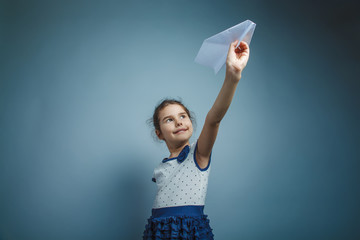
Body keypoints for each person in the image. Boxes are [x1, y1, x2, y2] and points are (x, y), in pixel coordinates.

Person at [143, 40, 250, 239]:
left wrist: (232, 76)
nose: (178, 122)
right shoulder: (160, 168)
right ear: (159, 133)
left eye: (183, 116)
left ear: (190, 122)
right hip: (160, 230)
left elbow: (214, 119)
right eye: (169, 120)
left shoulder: (198, 154)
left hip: (189, 230)